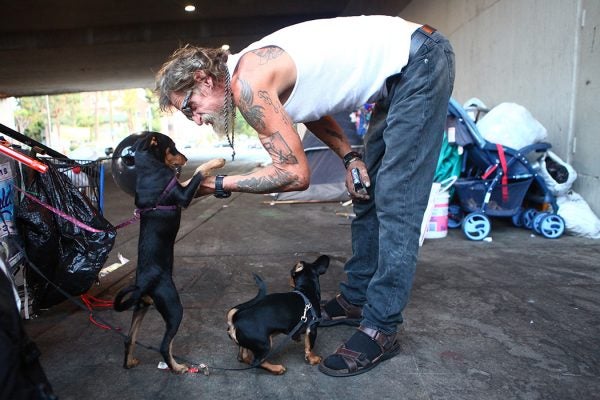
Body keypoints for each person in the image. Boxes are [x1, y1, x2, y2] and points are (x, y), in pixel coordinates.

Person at [155, 14, 455, 377]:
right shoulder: (250, 68)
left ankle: (382, 327)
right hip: (400, 74)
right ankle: (357, 299)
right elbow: (311, 110)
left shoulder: (247, 83)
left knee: (396, 202)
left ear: (204, 79)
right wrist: (350, 157)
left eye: (189, 106)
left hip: (419, 62)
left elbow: (294, 174)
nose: (196, 119)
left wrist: (215, 186)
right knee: (367, 190)